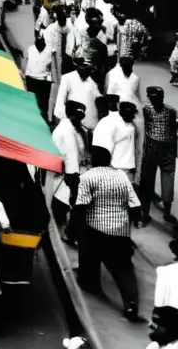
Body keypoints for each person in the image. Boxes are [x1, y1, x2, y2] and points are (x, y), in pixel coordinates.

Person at [74, 145, 142, 320]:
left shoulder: (87, 177)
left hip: (95, 230)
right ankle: (130, 304)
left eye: (88, 158)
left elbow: (81, 206)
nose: (86, 161)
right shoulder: (121, 176)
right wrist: (131, 226)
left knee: (90, 257)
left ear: (93, 161)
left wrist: (76, 230)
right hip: (121, 231)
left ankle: (89, 283)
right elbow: (135, 205)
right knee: (124, 269)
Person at [52, 100, 89, 240]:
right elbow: (71, 155)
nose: (82, 118)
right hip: (66, 173)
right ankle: (66, 232)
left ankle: (67, 231)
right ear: (71, 114)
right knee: (67, 202)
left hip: (71, 170)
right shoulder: (67, 130)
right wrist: (73, 178)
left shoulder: (74, 128)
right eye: (79, 115)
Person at [141, 86, 178, 226]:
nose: (153, 101)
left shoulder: (171, 112)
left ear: (162, 98)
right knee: (147, 182)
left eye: (156, 98)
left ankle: (166, 212)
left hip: (166, 150)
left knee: (167, 182)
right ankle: (146, 213)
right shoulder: (146, 110)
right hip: (152, 149)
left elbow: (174, 131)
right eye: (152, 98)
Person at [93, 97, 140, 183]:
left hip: (123, 169)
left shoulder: (129, 127)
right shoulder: (128, 128)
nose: (133, 116)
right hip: (121, 169)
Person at [54, 59, 102, 130]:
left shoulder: (92, 82)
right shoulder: (67, 78)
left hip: (91, 125)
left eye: (89, 70)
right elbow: (59, 105)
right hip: (74, 124)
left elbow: (98, 100)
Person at [24, 35, 54, 121]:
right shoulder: (31, 49)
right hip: (32, 79)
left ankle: (42, 117)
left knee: (42, 103)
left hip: (42, 80)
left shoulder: (49, 51)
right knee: (34, 100)